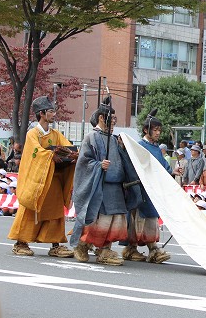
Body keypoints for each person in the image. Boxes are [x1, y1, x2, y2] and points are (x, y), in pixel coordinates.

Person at [8, 96, 78, 257]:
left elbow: (67, 146)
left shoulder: (55, 134)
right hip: (36, 180)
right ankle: (20, 242)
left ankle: (55, 244)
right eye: (51, 111)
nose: (54, 114)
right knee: (31, 207)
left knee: (55, 210)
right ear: (42, 113)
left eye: (54, 111)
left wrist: (73, 154)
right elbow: (35, 152)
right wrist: (49, 155)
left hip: (53, 179)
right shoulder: (33, 134)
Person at [70, 99, 132, 265]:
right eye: (110, 119)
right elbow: (83, 162)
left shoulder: (113, 138)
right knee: (99, 220)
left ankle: (105, 249)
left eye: (114, 120)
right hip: (100, 186)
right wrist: (98, 165)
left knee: (115, 220)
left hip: (116, 187)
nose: (113, 123)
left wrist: (122, 148)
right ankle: (82, 245)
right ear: (101, 119)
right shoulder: (91, 137)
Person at [121, 109, 171, 263]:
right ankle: (134, 248)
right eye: (155, 130)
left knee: (150, 219)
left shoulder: (157, 149)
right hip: (140, 189)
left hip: (153, 190)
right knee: (138, 219)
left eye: (159, 130)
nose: (157, 133)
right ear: (146, 130)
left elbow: (163, 167)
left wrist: (173, 170)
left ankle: (150, 248)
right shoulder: (139, 146)